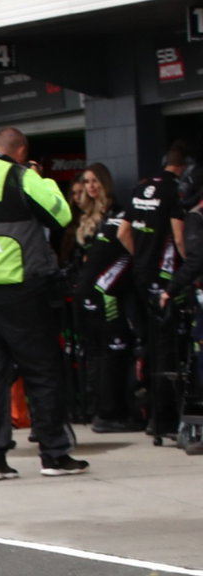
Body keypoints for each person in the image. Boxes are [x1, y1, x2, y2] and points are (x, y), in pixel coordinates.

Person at [0, 126, 82, 480]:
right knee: (42, 371)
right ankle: (54, 454)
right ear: (21, 151)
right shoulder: (21, 175)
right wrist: (41, 179)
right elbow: (62, 216)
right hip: (21, 285)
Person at [130, 143, 193, 438]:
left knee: (151, 346)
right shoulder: (173, 192)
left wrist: (139, 257)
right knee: (168, 349)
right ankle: (165, 421)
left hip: (140, 275)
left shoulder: (141, 189)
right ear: (181, 169)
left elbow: (122, 231)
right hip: (164, 279)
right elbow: (179, 240)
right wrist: (188, 268)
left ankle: (153, 418)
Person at [71, 164, 139, 433]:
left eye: (95, 181)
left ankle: (107, 410)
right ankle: (108, 413)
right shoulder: (89, 218)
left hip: (106, 292)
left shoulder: (117, 213)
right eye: (86, 182)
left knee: (108, 352)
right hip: (99, 293)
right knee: (107, 352)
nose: (91, 186)